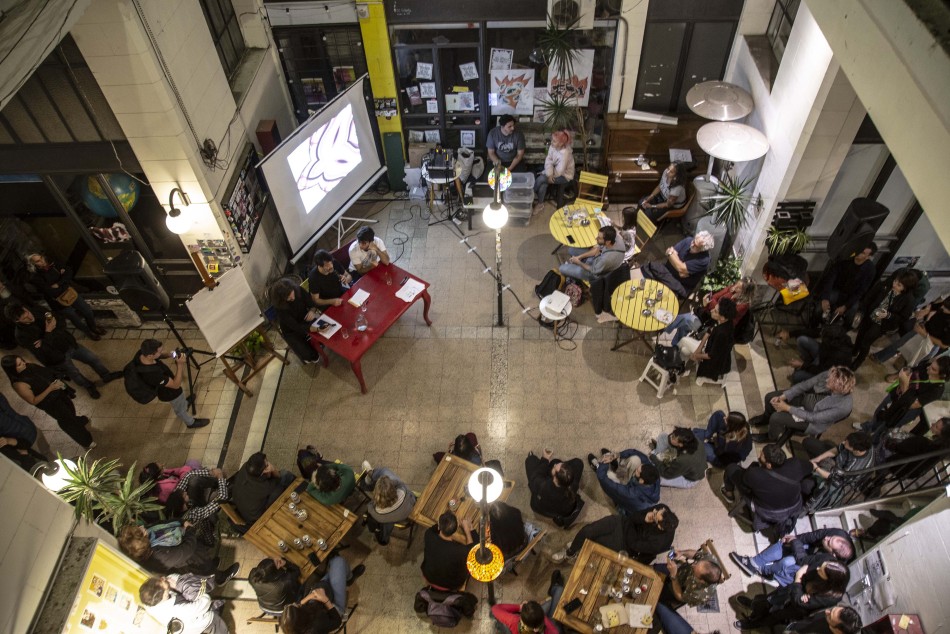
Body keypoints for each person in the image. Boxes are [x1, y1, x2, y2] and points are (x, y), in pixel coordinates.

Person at [7, 301, 122, 399]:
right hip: (57, 357)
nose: (29, 316)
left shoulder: (38, 311)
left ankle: (106, 375)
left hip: (68, 343)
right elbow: (43, 350)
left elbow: (60, 321)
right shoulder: (21, 336)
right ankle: (89, 386)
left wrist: (45, 337)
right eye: (24, 317)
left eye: (26, 311)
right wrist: (48, 331)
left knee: (93, 359)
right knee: (75, 375)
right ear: (17, 321)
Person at [1, 354, 94, 449]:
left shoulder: (29, 366)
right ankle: (86, 441)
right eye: (20, 364)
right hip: (51, 404)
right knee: (67, 422)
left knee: (70, 410)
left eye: (22, 360)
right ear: (12, 370)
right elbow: (33, 401)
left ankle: (76, 421)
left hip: (58, 394)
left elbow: (46, 372)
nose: (24, 363)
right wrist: (50, 388)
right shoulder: (19, 384)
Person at [750, 366, 855, 445]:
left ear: (839, 387)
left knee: (776, 417)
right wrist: (784, 396)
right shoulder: (831, 374)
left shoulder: (843, 406)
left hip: (811, 420)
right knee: (770, 397)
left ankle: (771, 437)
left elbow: (814, 418)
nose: (827, 380)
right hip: (805, 399)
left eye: (831, 381)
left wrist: (787, 408)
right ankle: (765, 418)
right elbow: (805, 385)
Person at [721, 444, 813, 535]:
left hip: (770, 512)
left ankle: (729, 493)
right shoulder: (795, 463)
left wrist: (751, 471)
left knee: (731, 468)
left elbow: (744, 483)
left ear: (769, 465)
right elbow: (811, 466)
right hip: (794, 506)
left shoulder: (756, 474)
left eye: (762, 455)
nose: (759, 454)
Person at [735, 561, 850, 630]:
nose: (817, 568)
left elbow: (798, 601)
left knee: (774, 615)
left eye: (821, 571)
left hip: (794, 609)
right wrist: (801, 584)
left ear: (830, 581)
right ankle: (753, 605)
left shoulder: (831, 597)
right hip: (791, 591)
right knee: (767, 600)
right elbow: (807, 563)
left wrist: (799, 579)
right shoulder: (827, 564)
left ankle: (753, 623)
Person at [551, 503, 678, 565]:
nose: (654, 512)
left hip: (626, 543)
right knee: (588, 531)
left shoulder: (658, 544)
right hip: (621, 523)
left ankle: (579, 549)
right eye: (656, 511)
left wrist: (630, 522)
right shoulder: (662, 508)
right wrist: (643, 519)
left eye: (655, 517)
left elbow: (634, 544)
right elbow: (633, 516)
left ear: (660, 526)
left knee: (596, 541)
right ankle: (570, 552)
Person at [857, 357, 949, 441]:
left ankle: (871, 442)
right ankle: (868, 427)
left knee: (885, 428)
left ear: (943, 375)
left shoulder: (937, 390)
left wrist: (904, 383)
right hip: (896, 395)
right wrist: (903, 373)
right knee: (879, 413)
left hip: (903, 411)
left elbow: (913, 405)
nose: (928, 368)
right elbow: (912, 370)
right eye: (931, 365)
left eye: (933, 369)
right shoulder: (927, 367)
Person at [730, 528, 854, 586]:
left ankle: (766, 571)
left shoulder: (829, 564)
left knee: (788, 562)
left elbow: (803, 561)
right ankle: (753, 563)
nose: (826, 538)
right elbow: (812, 536)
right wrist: (794, 539)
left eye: (828, 542)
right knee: (786, 543)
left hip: (808, 569)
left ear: (832, 554)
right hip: (812, 551)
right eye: (830, 537)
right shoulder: (837, 534)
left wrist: (795, 542)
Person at [130, 339, 210, 429]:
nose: (162, 352)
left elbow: (159, 356)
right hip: (169, 392)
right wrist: (180, 365)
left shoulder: (141, 353)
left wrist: (172, 354)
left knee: (181, 401)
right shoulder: (153, 375)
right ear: (150, 355)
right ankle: (190, 423)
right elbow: (176, 385)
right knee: (180, 409)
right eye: (159, 352)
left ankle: (184, 403)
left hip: (167, 383)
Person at [25, 252, 107, 340]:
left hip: (69, 292)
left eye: (41, 258)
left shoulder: (53, 264)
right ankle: (88, 332)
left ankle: (93, 327)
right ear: (34, 264)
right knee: (75, 319)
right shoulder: (35, 277)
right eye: (38, 261)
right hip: (58, 302)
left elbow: (69, 271)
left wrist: (59, 283)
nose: (42, 261)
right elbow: (52, 291)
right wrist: (63, 280)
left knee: (87, 311)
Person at [118, 523, 238, 581]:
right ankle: (220, 577)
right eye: (140, 530)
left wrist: (181, 523)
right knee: (205, 568)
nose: (142, 526)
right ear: (143, 542)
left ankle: (212, 566)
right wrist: (190, 531)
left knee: (207, 562)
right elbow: (186, 550)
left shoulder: (150, 541)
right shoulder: (159, 555)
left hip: (192, 554)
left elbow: (164, 524)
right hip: (192, 561)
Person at [279, 554, 365, 634]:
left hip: (317, 605)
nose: (296, 603)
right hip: (334, 610)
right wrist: (325, 600)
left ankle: (335, 572)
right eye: (296, 606)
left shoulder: (295, 625)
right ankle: (349, 578)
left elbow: (298, 604)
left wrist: (309, 597)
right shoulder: (316, 626)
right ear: (302, 616)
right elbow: (337, 621)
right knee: (338, 561)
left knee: (333, 572)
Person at [851, 269, 918, 369]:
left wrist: (888, 315)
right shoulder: (886, 285)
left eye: (899, 285)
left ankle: (859, 360)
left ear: (906, 288)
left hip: (882, 324)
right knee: (860, 333)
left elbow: (903, 318)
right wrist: (862, 310)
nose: (894, 285)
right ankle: (854, 350)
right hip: (870, 314)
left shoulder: (909, 300)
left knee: (866, 341)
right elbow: (870, 296)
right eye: (895, 281)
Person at [652, 545, 725, 634]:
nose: (693, 565)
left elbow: (680, 597)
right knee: (652, 570)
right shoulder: (710, 559)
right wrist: (682, 552)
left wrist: (674, 576)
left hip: (678, 587)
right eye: (696, 563)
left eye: (695, 570)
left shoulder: (700, 595)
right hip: (679, 571)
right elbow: (696, 554)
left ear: (701, 581)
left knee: (655, 598)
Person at [661, 277, 755, 346]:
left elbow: (722, 314)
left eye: (738, 288)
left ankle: (665, 325)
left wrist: (710, 304)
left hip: (715, 324)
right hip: (708, 313)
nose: (734, 288)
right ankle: (674, 343)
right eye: (736, 284)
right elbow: (714, 297)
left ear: (744, 293)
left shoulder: (743, 305)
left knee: (687, 319)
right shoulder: (732, 289)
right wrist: (714, 305)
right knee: (686, 325)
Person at [139, 572, 228, 634]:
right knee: (220, 629)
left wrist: (175, 581)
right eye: (165, 583)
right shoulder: (177, 610)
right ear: (164, 595)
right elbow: (203, 604)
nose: (164, 578)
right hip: (202, 622)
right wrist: (204, 595)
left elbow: (174, 578)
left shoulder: (150, 602)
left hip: (189, 624)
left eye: (162, 578)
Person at [639, 231, 714, 299]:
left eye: (696, 245)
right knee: (651, 266)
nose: (692, 243)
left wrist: (674, 258)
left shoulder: (704, 260)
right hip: (668, 271)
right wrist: (674, 258)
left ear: (702, 249)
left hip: (681, 284)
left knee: (655, 270)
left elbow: (680, 269)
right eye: (694, 240)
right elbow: (668, 252)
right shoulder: (688, 240)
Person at [679, 297, 737, 385]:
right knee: (684, 350)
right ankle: (681, 365)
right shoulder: (726, 322)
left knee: (683, 340)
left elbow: (711, 355)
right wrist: (697, 351)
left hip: (713, 359)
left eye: (716, 311)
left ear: (722, 317)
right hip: (709, 346)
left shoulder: (722, 333)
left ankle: (676, 364)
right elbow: (709, 332)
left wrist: (697, 355)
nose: (712, 310)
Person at [818, 244, 877, 327]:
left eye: (863, 253)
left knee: (850, 317)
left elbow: (861, 291)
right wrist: (825, 298)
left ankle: (838, 331)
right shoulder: (845, 259)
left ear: (868, 257)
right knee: (819, 308)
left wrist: (846, 306)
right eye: (859, 250)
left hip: (851, 296)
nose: (858, 253)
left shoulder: (870, 270)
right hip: (837, 290)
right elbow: (830, 279)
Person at [588, 447, 660, 515]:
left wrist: (603, 464)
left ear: (641, 481)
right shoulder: (654, 476)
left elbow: (605, 482)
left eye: (637, 471)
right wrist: (616, 455)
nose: (637, 468)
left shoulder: (631, 494)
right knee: (635, 459)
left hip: (625, 505)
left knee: (608, 475)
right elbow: (640, 455)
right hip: (633, 488)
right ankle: (616, 466)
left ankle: (597, 467)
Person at [231, 452, 296, 525]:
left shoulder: (246, 467)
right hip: (257, 518)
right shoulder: (265, 487)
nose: (269, 463)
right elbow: (278, 477)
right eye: (267, 465)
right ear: (263, 472)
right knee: (284, 476)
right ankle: (295, 484)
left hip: (244, 508)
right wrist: (273, 469)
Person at [491, 570, 564, 634]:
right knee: (557, 597)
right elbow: (554, 631)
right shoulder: (547, 628)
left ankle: (555, 588)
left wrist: (519, 607)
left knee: (555, 598)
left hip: (539, 622)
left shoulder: (514, 621)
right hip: (545, 624)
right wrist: (543, 617)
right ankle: (555, 588)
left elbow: (495, 609)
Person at [270, 278, 321, 365]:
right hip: (291, 330)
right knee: (311, 356)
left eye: (292, 293)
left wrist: (312, 311)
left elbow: (311, 303)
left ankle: (311, 339)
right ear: (282, 299)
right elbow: (295, 326)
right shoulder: (280, 308)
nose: (293, 297)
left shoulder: (297, 289)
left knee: (324, 337)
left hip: (305, 318)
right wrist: (315, 329)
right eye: (289, 297)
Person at [362, 464, 417, 545]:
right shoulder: (403, 492)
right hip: (406, 513)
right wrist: (389, 485)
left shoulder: (376, 513)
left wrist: (377, 498)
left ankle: (370, 476)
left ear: (377, 495)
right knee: (385, 472)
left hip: (391, 518)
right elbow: (399, 483)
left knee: (382, 474)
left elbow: (370, 505)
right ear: (393, 490)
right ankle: (371, 474)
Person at [421, 511, 475, 590]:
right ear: (456, 529)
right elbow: (472, 549)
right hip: (451, 585)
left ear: (439, 527)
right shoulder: (460, 551)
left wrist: (445, 522)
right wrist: (467, 529)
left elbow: (434, 528)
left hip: (429, 576)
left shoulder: (429, 535)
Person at [525, 449, 584, 520]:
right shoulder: (573, 486)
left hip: (541, 507)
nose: (555, 465)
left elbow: (534, 478)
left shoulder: (542, 485)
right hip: (562, 512)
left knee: (531, 460)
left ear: (555, 478)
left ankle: (531, 457)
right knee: (576, 462)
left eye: (555, 468)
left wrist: (545, 459)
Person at [787, 322, 854, 384]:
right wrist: (790, 334)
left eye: (822, 337)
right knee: (801, 339)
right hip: (822, 356)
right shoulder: (831, 332)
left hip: (826, 372)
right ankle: (809, 362)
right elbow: (813, 332)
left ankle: (809, 367)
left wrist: (802, 365)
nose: (820, 336)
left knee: (796, 376)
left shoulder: (839, 356)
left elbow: (822, 371)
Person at [558, 225, 626, 283]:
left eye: (599, 238)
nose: (596, 238)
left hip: (595, 272)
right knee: (571, 250)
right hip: (598, 259)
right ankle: (582, 262)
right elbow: (597, 249)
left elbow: (593, 270)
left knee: (561, 268)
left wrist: (578, 262)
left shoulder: (607, 259)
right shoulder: (615, 238)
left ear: (608, 242)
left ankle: (578, 273)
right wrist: (580, 257)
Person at [533, 129, 575, 212]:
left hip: (564, 175)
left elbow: (560, 171)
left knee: (541, 179)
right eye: (552, 139)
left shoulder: (565, 153)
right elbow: (548, 159)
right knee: (543, 183)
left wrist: (550, 175)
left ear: (561, 143)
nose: (552, 142)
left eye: (554, 141)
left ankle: (530, 193)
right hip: (553, 171)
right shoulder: (553, 146)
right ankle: (540, 204)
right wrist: (549, 174)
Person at [783, 606, 862, 634]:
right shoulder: (833, 615)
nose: (827, 611)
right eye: (832, 610)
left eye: (830, 616)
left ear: (838, 631)